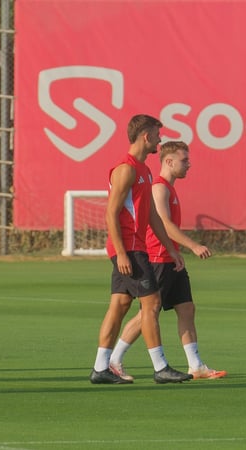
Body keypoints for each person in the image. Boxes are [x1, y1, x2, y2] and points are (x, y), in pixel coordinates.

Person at [108, 141, 227, 381]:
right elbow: (164, 223)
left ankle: (196, 365)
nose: (189, 165)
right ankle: (114, 360)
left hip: (171, 258)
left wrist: (176, 252)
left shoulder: (169, 188)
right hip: (157, 258)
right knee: (148, 313)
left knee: (186, 308)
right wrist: (193, 246)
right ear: (169, 162)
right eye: (184, 160)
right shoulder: (159, 188)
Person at [89, 114, 192, 385]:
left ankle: (100, 368)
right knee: (152, 303)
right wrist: (122, 253)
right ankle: (160, 367)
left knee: (120, 305)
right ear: (146, 136)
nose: (160, 140)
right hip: (129, 248)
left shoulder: (144, 170)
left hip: (136, 247)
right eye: (157, 135)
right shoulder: (126, 168)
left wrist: (171, 249)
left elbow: (153, 217)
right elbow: (111, 213)